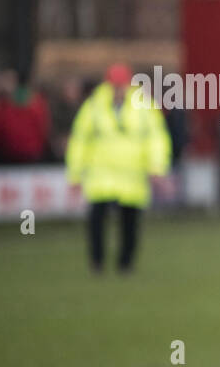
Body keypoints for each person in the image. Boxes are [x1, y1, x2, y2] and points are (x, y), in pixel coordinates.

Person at [65, 63, 171, 273]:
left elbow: (156, 139)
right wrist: (75, 174)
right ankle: (97, 262)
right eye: (115, 85)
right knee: (96, 221)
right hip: (101, 175)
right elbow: (79, 140)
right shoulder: (94, 106)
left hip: (132, 176)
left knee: (129, 223)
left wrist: (157, 168)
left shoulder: (143, 106)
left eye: (121, 85)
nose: (118, 90)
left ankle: (126, 263)